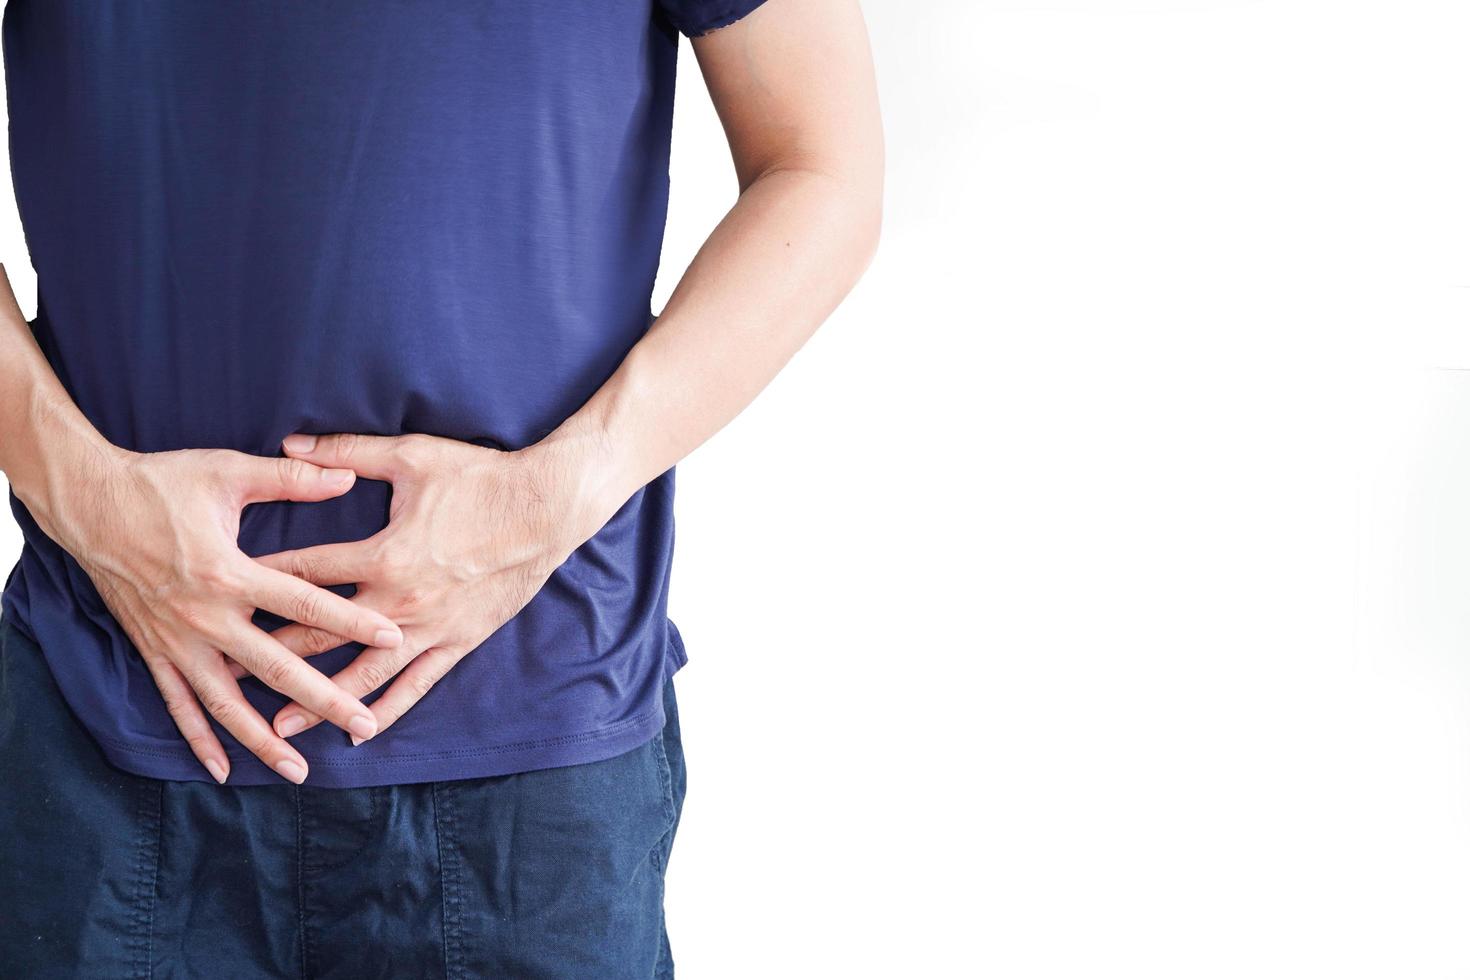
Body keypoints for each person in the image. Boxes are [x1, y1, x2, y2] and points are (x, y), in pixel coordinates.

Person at [0, 0, 882, 975]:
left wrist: (553, 492)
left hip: (532, 754)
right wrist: (85, 495)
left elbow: (821, 164)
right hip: (110, 723)